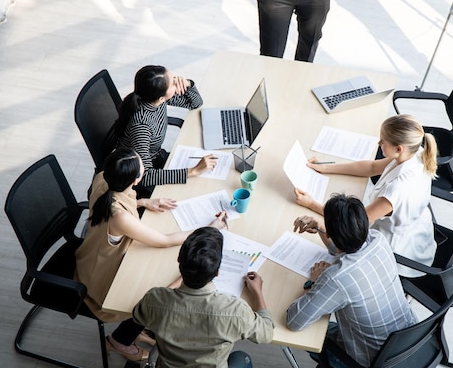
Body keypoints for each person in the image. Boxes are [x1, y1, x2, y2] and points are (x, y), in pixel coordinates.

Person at [74, 148, 226, 362]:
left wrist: (143, 202)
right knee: (164, 289)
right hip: (103, 278)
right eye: (141, 165)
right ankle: (119, 341)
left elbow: (113, 202)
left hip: (91, 256)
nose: (144, 164)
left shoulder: (102, 178)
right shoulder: (120, 217)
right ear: (135, 180)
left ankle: (135, 331)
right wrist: (209, 229)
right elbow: (163, 241)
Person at [294, 114, 438, 277]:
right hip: (415, 230)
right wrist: (325, 168)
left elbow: (352, 224)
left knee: (337, 247)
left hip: (397, 251)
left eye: (383, 141)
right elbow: (370, 167)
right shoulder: (414, 152)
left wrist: (312, 205)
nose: (379, 143)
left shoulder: (396, 191)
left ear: (398, 148)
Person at [287, 194, 418, 367]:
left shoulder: (335, 278)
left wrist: (313, 282)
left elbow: (294, 321)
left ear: (330, 233)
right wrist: (320, 228)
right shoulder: (377, 240)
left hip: (367, 361)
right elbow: (348, 249)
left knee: (312, 335)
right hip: (411, 343)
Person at [132, 227, 274, 368]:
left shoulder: (154, 299)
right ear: (217, 272)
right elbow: (266, 334)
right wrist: (257, 293)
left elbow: (138, 316)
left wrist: (174, 285)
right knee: (242, 358)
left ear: (179, 262)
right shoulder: (235, 311)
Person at [114, 64, 217, 198]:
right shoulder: (141, 126)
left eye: (173, 77)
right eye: (173, 83)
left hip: (157, 158)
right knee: (194, 189)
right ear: (162, 97)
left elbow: (195, 103)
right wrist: (193, 171)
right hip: (142, 178)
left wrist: (188, 83)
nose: (176, 81)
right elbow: (145, 176)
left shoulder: (155, 99)